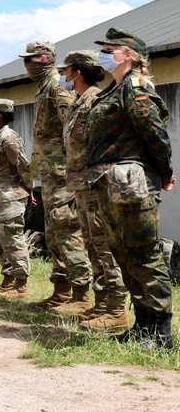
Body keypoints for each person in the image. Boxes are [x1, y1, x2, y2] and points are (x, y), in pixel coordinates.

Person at [85, 28, 174, 349]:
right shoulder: (114, 90)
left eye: (110, 49)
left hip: (132, 184)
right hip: (111, 184)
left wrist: (165, 173)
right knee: (124, 255)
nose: (103, 55)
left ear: (128, 55)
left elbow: (156, 134)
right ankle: (143, 325)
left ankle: (161, 332)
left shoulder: (135, 88)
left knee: (144, 255)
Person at [59, 50, 129, 331]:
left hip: (95, 184)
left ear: (78, 72)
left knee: (105, 246)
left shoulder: (95, 101)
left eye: (66, 71)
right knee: (92, 245)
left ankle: (117, 311)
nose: (62, 76)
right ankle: (101, 303)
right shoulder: (79, 102)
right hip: (81, 186)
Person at [21, 41, 91, 311]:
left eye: (31, 60)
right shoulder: (44, 87)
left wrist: (75, 171)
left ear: (44, 59)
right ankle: (62, 291)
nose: (27, 66)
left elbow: (73, 130)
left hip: (63, 174)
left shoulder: (58, 86)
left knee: (68, 230)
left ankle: (81, 295)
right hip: (50, 174)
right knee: (54, 234)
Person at [0, 99, 32, 298]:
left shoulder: (9, 138)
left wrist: (29, 189)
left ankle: (21, 285)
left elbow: (22, 165)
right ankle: (8, 280)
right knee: (0, 240)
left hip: (11, 196)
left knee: (13, 239)